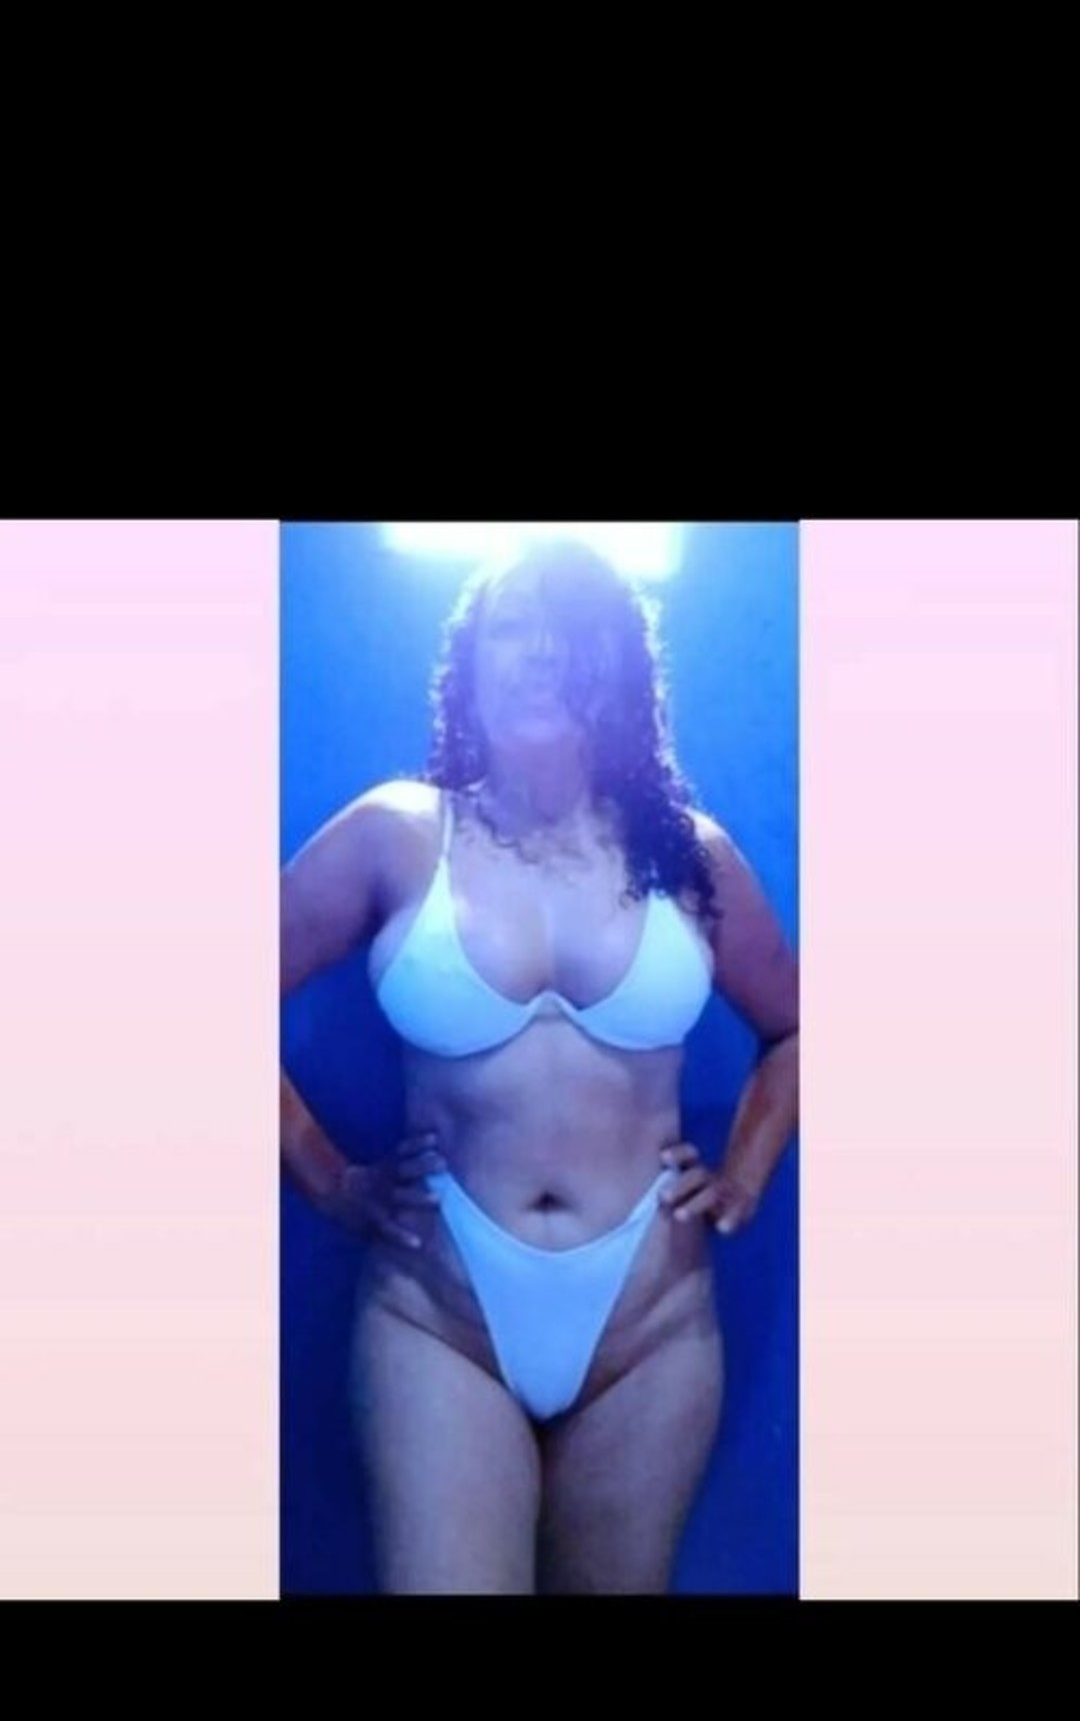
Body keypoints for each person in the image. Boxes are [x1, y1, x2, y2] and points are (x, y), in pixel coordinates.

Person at [281, 536, 798, 1593]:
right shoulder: (396, 836)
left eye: (573, 631)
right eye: (514, 627)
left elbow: (798, 1028)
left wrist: (746, 1173)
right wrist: (327, 1178)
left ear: (623, 668)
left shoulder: (691, 856)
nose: (542, 654)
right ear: (469, 662)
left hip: (649, 1332)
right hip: (438, 1319)